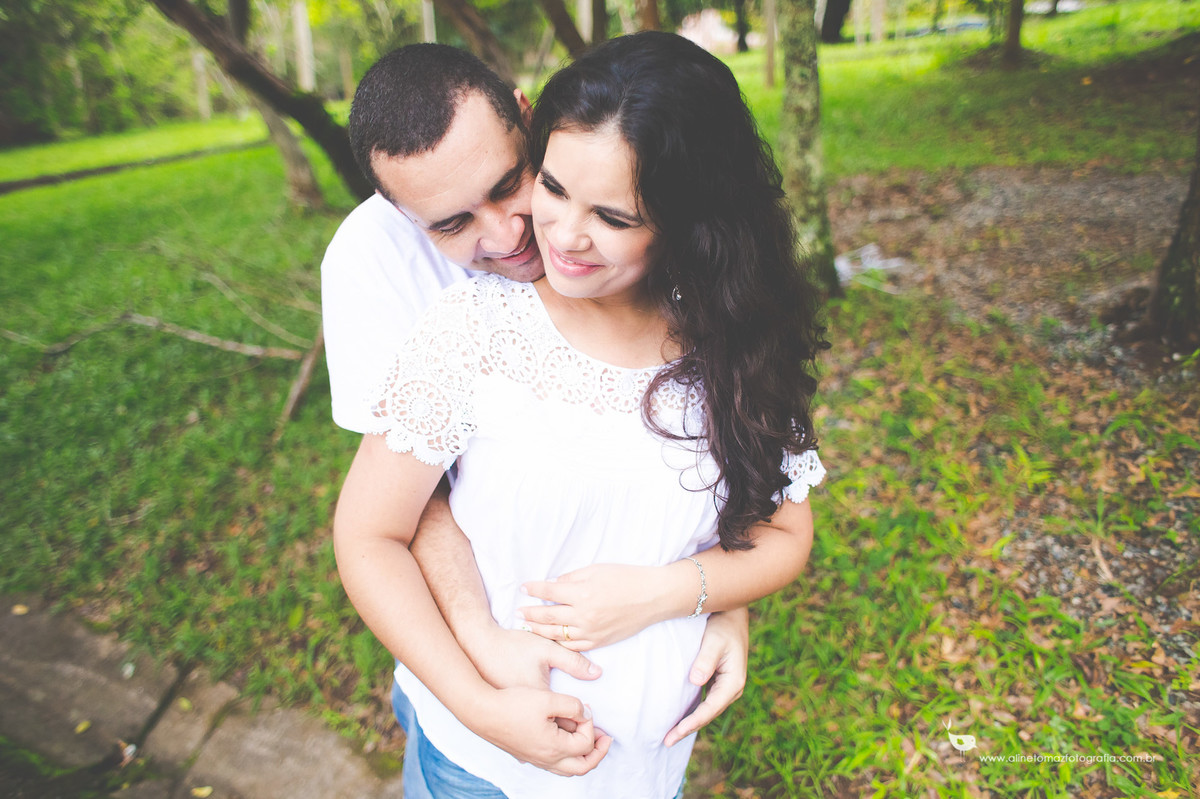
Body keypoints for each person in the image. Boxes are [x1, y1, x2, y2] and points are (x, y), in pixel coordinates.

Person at [334, 31, 828, 798]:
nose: (543, 235)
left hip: (645, 768)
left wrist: (701, 595)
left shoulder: (730, 336)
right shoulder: (450, 314)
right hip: (485, 766)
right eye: (555, 191)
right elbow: (381, 521)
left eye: (613, 215)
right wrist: (483, 700)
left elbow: (769, 523)